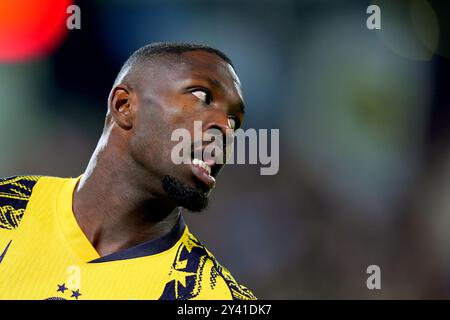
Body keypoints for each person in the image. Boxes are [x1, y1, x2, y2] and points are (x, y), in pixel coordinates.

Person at [0, 42, 255, 300]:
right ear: (124, 105)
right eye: (202, 96)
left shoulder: (214, 296)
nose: (225, 128)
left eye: (234, 121)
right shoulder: (8, 207)